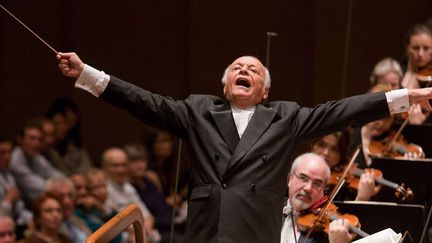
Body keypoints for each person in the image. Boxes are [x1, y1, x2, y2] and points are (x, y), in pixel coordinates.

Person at [57, 52, 432, 243]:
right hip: (208, 231)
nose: (244, 70)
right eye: (237, 67)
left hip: (255, 231)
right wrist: (89, 74)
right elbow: (143, 102)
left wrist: (406, 96)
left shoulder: (286, 117)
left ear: (265, 91)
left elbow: (340, 111)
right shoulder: (198, 110)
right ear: (225, 85)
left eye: (253, 69)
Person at [281, 153, 352, 243]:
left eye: (317, 183)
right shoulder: (267, 209)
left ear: (323, 191)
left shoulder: (330, 234)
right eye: (303, 178)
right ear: (290, 179)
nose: (308, 188)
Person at [100, 147, 159, 242]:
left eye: (123, 165)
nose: (120, 170)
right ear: (104, 167)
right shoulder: (102, 189)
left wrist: (145, 231)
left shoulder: (128, 187)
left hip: (141, 233)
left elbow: (147, 215)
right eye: (115, 165)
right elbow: (111, 221)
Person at [310, 132, 381, 201]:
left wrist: (362, 198)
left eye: (334, 149)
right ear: (312, 145)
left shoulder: (343, 189)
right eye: (321, 145)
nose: (326, 153)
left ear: (341, 154)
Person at [9, 119, 64, 206]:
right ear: (20, 139)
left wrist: (67, 183)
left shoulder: (36, 157)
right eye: (32, 138)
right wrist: (60, 186)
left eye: (39, 139)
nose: (36, 143)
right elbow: (42, 187)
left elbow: (55, 174)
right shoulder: (15, 160)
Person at [0, 136, 32, 239]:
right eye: (2, 153)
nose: (8, 157)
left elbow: (19, 207)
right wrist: (8, 200)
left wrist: (31, 219)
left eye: (10, 152)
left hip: (14, 228)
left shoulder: (9, 176)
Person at [44, 177, 91, 243]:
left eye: (70, 195)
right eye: (61, 196)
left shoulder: (75, 218)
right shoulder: (49, 230)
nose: (68, 201)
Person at [401, 24, 432, 89]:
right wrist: (410, 73)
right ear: (407, 47)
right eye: (415, 48)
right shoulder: (399, 73)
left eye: (426, 48)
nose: (420, 54)